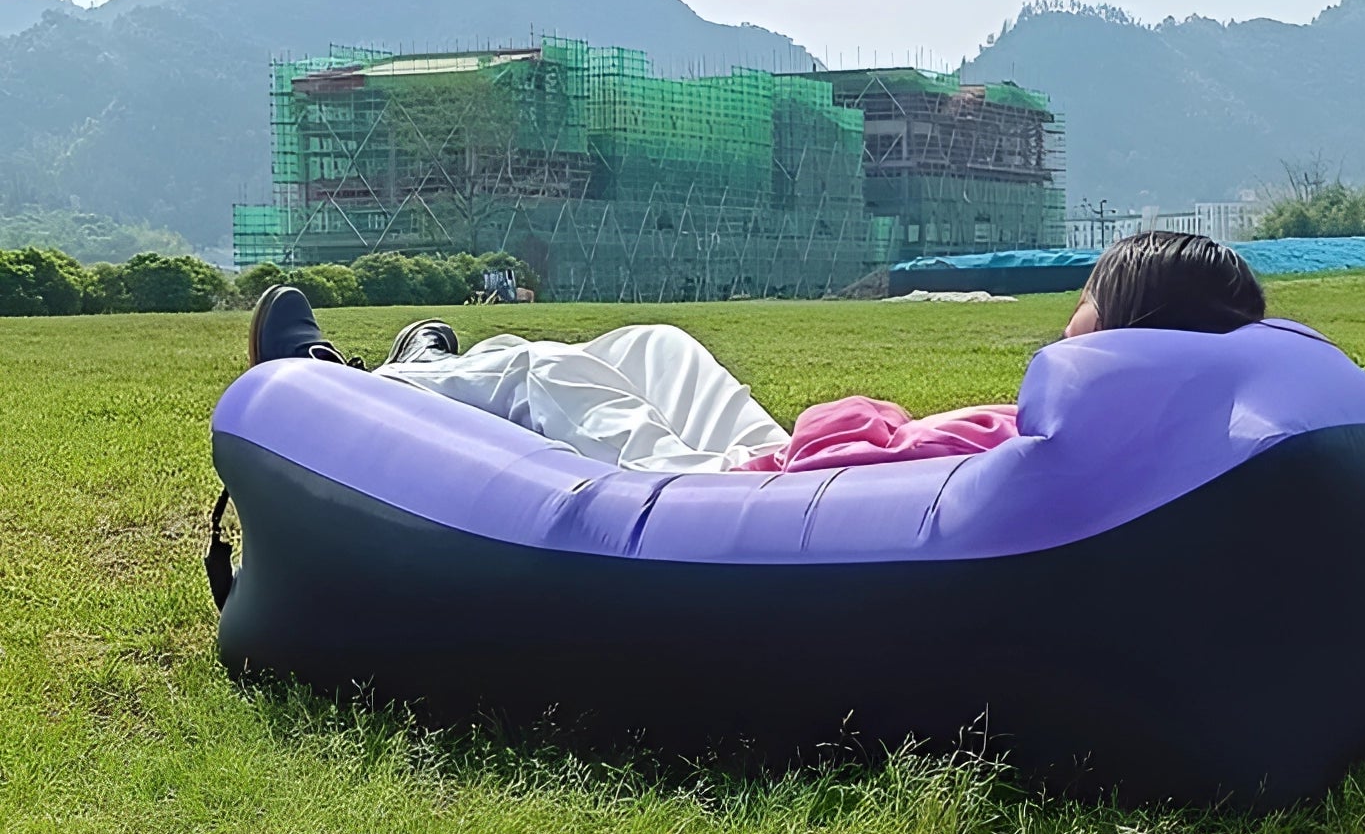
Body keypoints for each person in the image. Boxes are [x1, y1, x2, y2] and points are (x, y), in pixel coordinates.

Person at [244, 232, 1267, 474]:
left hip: (744, 499)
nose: (1068, 318)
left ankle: (340, 386)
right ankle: (425, 368)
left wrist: (867, 423)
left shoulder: (1058, 444)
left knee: (540, 368)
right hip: (782, 471)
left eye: (1086, 298)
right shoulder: (1092, 429)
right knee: (655, 343)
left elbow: (895, 480)